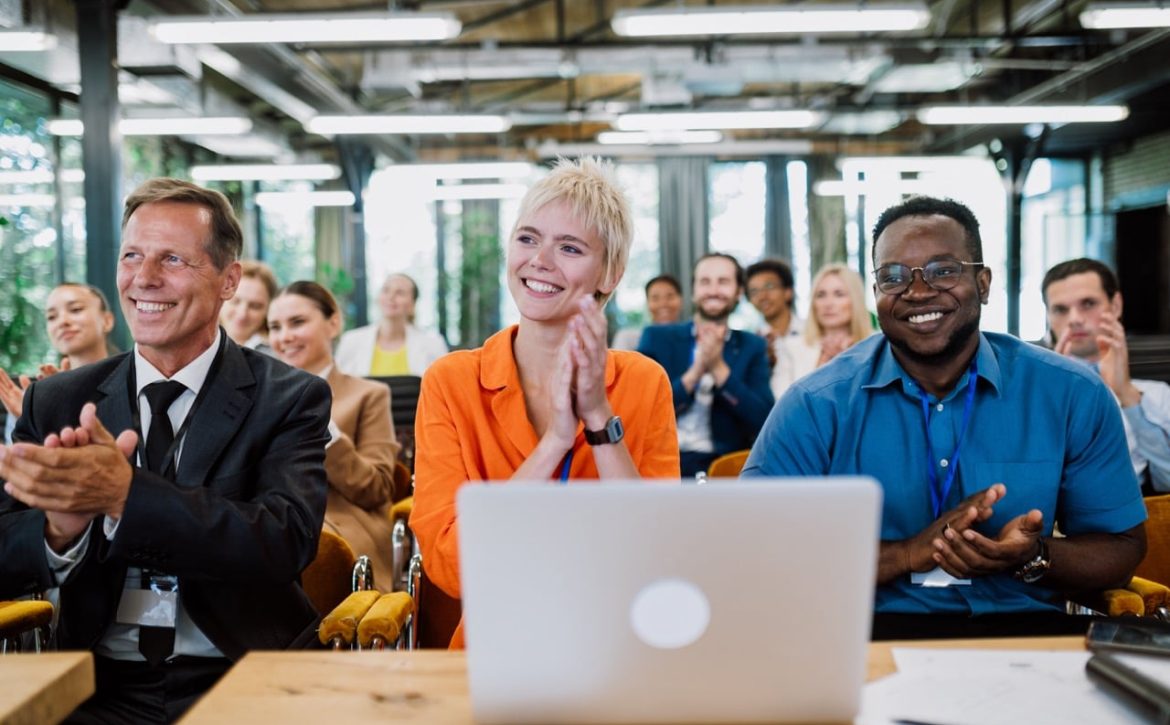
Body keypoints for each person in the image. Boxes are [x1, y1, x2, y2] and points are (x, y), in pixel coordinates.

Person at [0, 178, 331, 723]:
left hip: (242, 674)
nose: (145, 279)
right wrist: (59, 529)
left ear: (229, 280)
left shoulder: (290, 397)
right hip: (92, 683)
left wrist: (126, 497)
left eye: (173, 258)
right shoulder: (58, 400)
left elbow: (284, 539)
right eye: (133, 255)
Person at [742, 195, 1147, 639]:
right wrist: (907, 553)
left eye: (943, 271)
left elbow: (1121, 547)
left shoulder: (1070, 393)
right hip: (862, 634)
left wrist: (1032, 556)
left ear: (985, 283)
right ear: (876, 293)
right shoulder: (816, 403)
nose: (918, 292)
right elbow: (756, 553)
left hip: (1024, 628)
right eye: (893, 276)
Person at [410, 157, 680, 649]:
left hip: (619, 642)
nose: (540, 261)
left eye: (570, 248)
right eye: (528, 238)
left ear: (610, 275)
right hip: (496, 644)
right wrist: (554, 441)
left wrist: (597, 417)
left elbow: (654, 559)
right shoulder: (451, 381)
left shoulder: (644, 382)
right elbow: (451, 566)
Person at [268, 280, 405, 588]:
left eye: (298, 322)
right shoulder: (260, 398)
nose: (284, 336)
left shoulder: (368, 395)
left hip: (343, 529)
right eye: (275, 327)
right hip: (270, 524)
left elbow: (377, 489)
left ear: (333, 323)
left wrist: (323, 427)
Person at [639, 253, 773, 477]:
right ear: (693, 292)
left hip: (725, 468)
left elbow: (764, 421)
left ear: (739, 292)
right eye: (705, 282)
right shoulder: (657, 338)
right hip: (663, 463)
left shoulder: (753, 346)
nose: (713, 290)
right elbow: (642, 411)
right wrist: (695, 372)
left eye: (723, 281)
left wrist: (719, 369)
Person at [1042, 258, 1170, 493]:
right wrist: (1054, 397)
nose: (1075, 319)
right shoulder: (1029, 391)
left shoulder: (1158, 395)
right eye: (1060, 309)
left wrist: (1127, 397)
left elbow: (1167, 483)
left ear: (1116, 305)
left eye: (1088, 303)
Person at [0, 283, 117, 440]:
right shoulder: (34, 398)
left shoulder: (134, 379)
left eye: (76, 309)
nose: (63, 322)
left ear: (107, 320)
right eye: (51, 317)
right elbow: (16, 461)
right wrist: (32, 421)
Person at [335, 272, 448, 377]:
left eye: (400, 293)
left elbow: (443, 389)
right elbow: (339, 390)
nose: (391, 297)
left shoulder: (433, 344)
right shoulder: (350, 341)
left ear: (412, 304)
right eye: (386, 290)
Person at [745, 258, 805, 398]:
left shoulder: (814, 333)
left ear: (788, 291)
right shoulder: (753, 344)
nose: (762, 296)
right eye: (754, 291)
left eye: (770, 286)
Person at [798, 263, 874, 369]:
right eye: (821, 295)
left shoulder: (878, 347)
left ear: (856, 300)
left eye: (839, 294)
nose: (828, 304)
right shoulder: (793, 348)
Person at [220, 259, 278, 355]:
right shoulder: (193, 345)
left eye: (255, 306)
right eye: (235, 301)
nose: (242, 314)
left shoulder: (278, 355)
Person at [611, 274, 684, 350]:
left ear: (681, 301)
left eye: (670, 297)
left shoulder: (693, 338)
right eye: (655, 298)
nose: (663, 304)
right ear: (647, 303)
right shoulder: (629, 339)